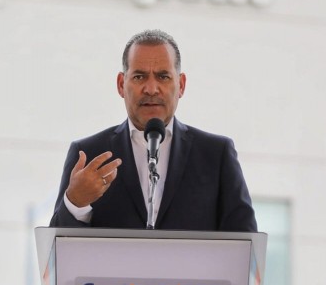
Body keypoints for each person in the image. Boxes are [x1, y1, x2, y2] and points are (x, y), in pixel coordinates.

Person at [49, 29, 257, 232]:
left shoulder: (216, 155)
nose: (151, 89)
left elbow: (246, 245)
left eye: (163, 77)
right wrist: (75, 202)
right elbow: (56, 249)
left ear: (181, 85)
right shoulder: (88, 154)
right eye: (139, 77)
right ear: (121, 84)